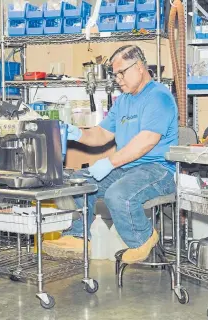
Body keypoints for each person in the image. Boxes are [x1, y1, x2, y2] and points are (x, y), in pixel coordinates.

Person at [43, 45, 178, 264]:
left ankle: (143, 239)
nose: (118, 79)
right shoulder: (123, 100)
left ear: (140, 67)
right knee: (79, 184)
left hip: (159, 170)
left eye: (121, 72)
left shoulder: (158, 96)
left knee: (118, 194)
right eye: (115, 75)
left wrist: (109, 163)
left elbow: (146, 141)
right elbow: (101, 134)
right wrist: (76, 133)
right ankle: (78, 236)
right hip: (128, 168)